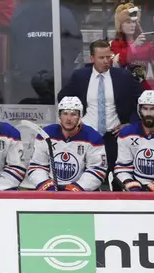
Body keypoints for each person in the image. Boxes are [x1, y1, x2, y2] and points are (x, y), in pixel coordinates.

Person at [57, 39, 142, 188]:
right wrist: (74, 119)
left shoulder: (123, 77)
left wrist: (131, 124)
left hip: (113, 137)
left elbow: (142, 101)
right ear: (92, 59)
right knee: (87, 182)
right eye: (101, 58)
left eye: (108, 57)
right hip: (87, 136)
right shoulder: (80, 76)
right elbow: (63, 97)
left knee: (115, 182)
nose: (106, 61)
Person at [28, 96, 108, 192]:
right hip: (51, 191)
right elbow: (37, 165)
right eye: (65, 114)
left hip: (82, 194)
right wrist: (47, 186)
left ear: (80, 116)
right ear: (59, 115)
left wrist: (76, 188)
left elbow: (97, 170)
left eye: (73, 114)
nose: (68, 118)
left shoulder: (93, 137)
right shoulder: (46, 134)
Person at [115, 90, 154, 191]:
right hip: (137, 184)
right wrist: (130, 184)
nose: (149, 113)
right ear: (139, 110)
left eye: (153, 109)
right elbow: (123, 167)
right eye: (145, 109)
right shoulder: (127, 133)